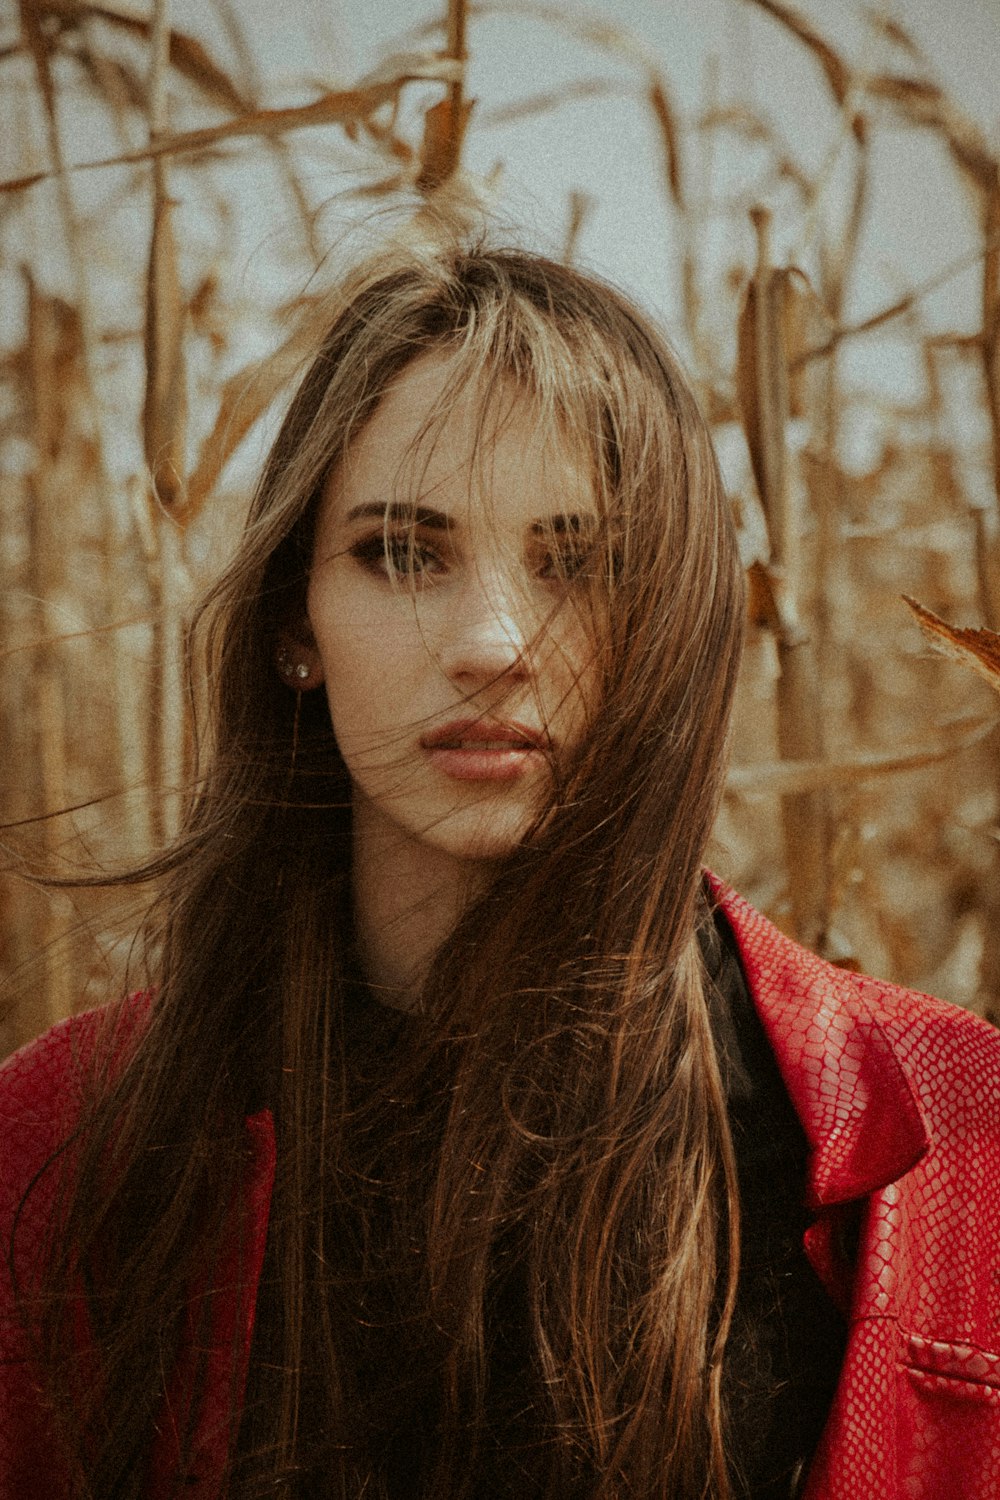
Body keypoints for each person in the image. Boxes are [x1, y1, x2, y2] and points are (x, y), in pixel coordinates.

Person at [1, 241, 998, 1500]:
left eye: (574, 561)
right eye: (402, 552)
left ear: (673, 622)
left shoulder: (959, 1146)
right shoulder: (55, 1145)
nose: (490, 643)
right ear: (292, 623)